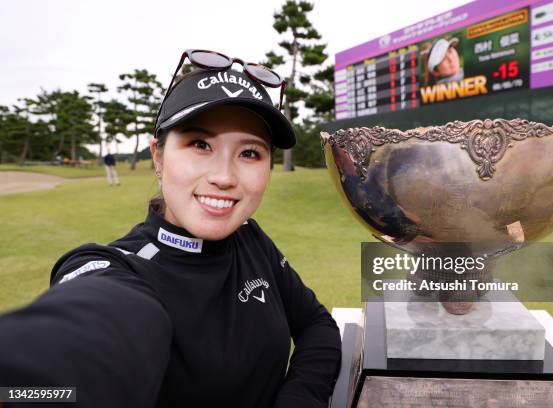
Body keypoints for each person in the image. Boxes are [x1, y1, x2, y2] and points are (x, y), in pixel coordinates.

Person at [0, 50, 341, 407]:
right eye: (199, 144)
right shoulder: (122, 269)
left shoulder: (251, 238)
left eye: (250, 153)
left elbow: (317, 325)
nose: (224, 177)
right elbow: (67, 359)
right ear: (158, 156)